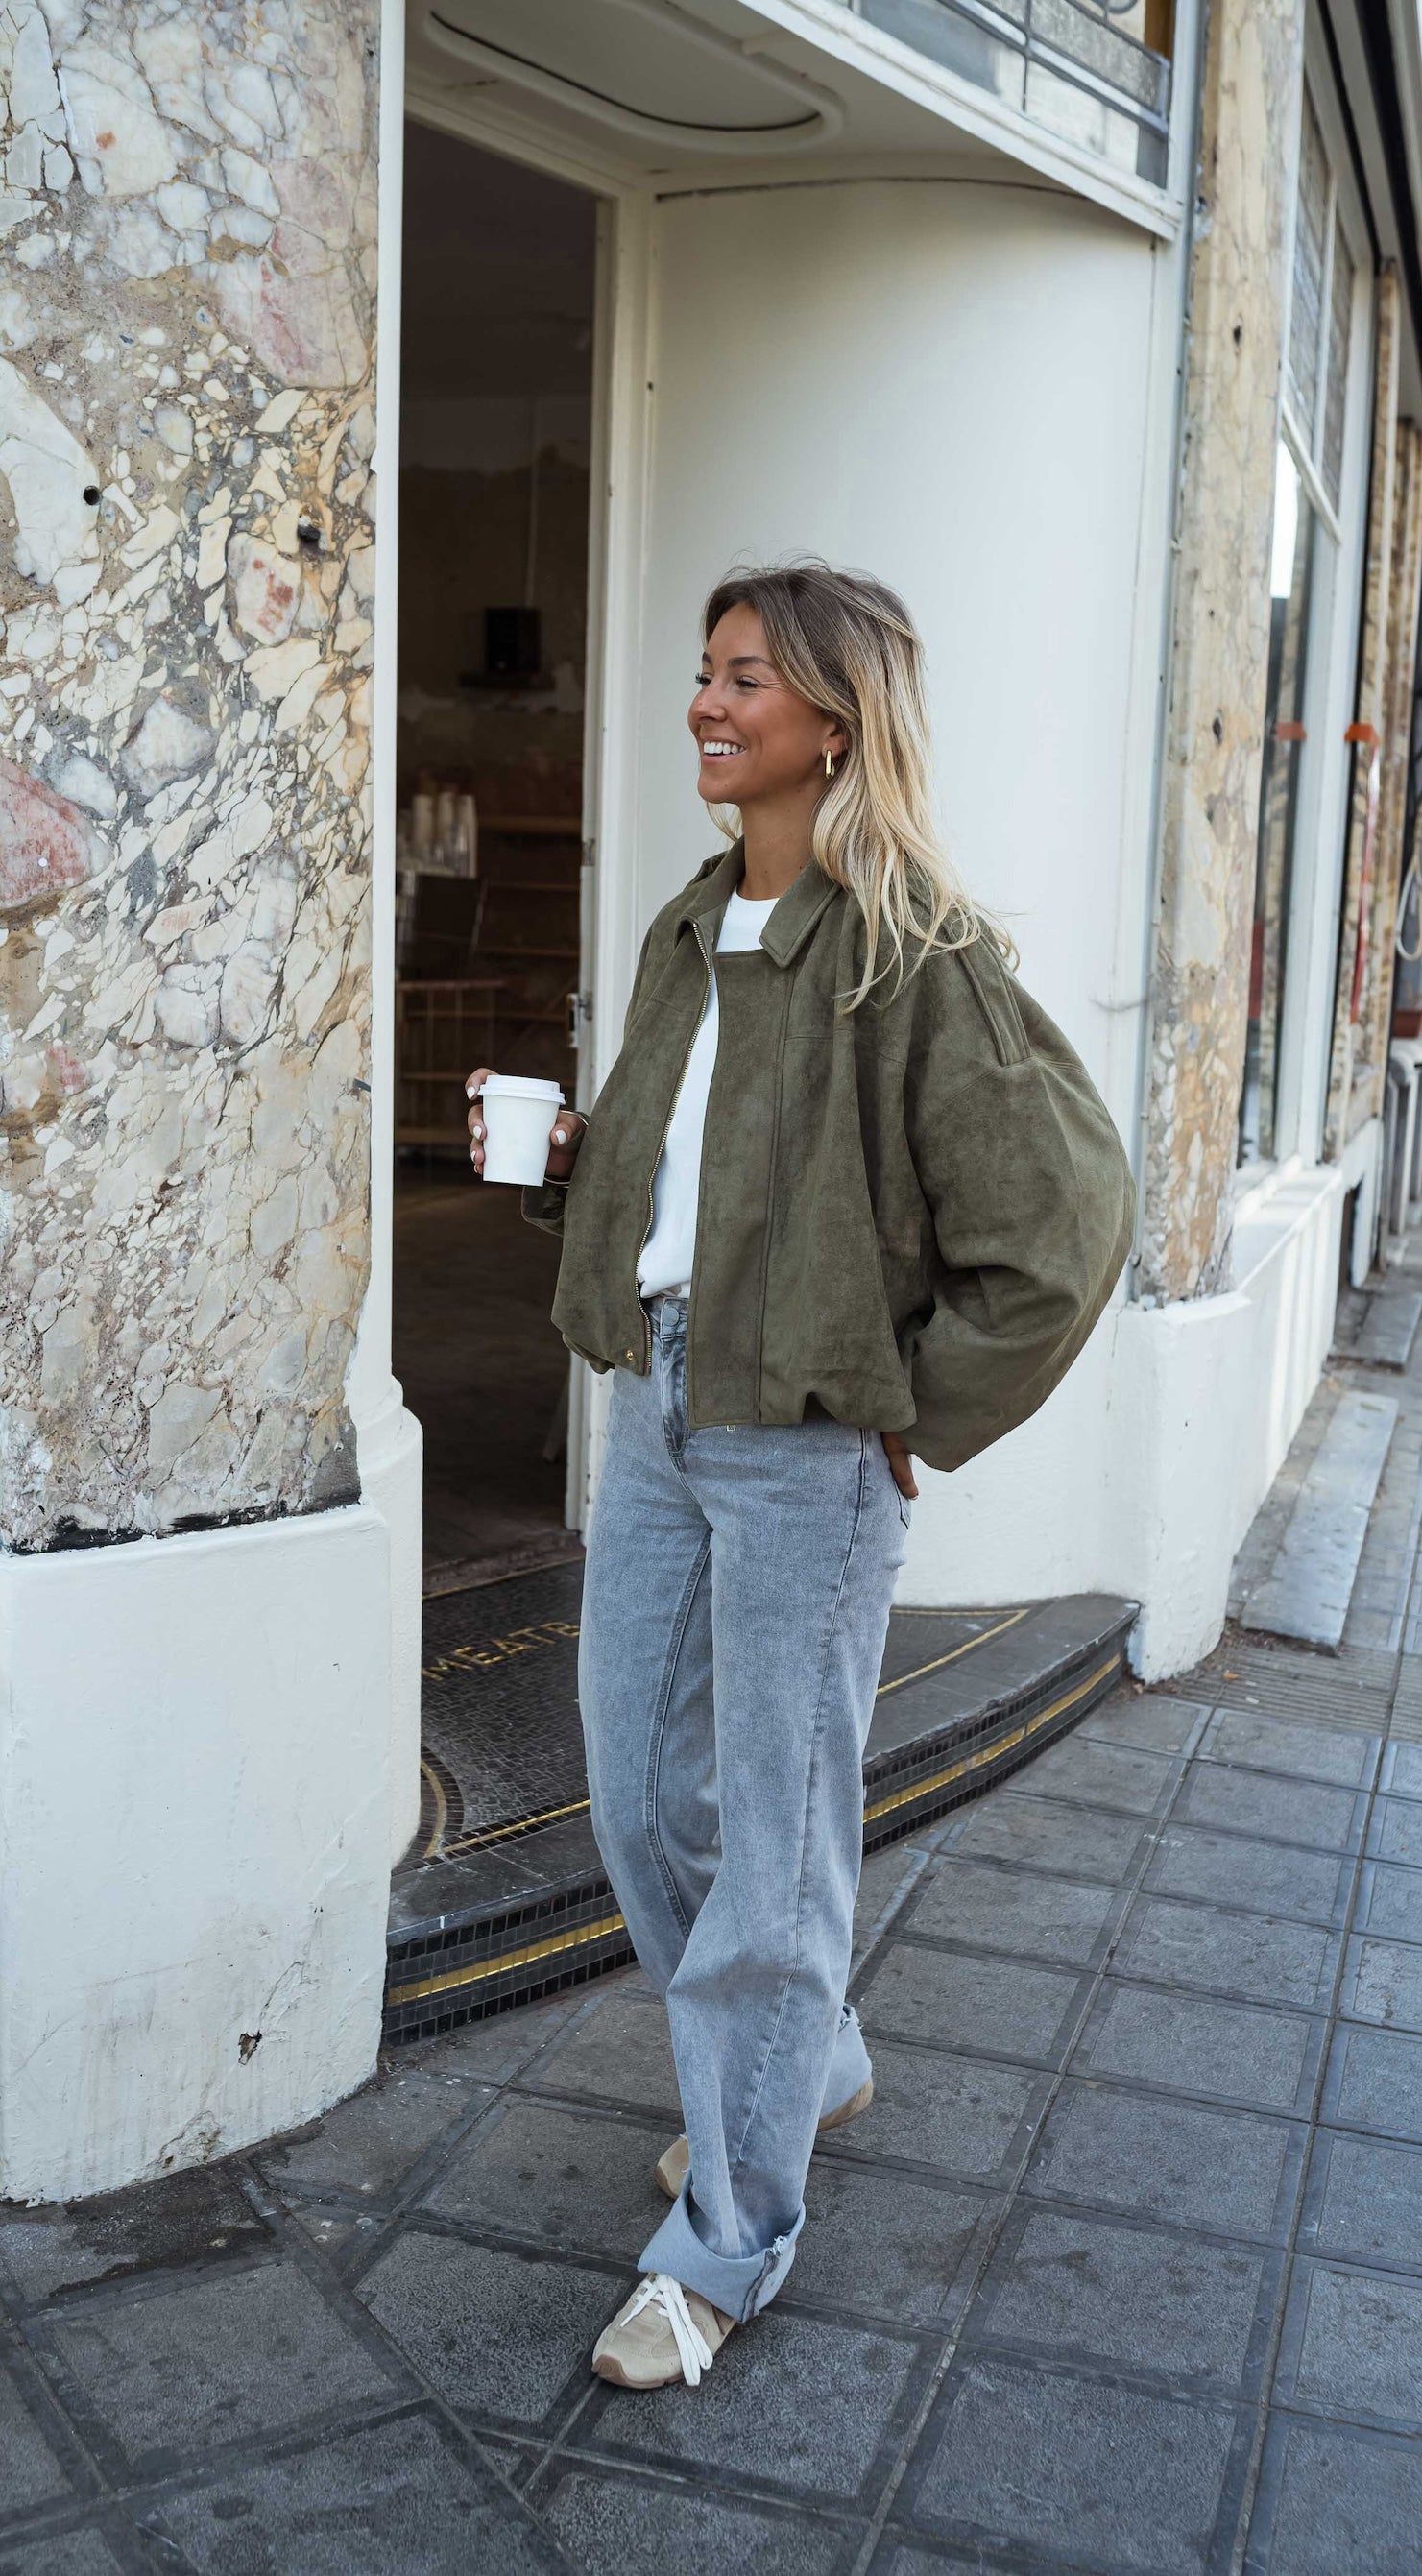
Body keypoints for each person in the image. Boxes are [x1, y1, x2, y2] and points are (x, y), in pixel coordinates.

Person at [466, 561, 1134, 2391]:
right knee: (633, 1794)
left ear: (829, 722)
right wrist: (584, 1171)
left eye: (744, 678)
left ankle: (730, 2237)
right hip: (666, 1407)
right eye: (704, 672)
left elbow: (1066, 1223)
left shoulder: (918, 955)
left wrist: (913, 1404)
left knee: (772, 1844)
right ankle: (801, 2060)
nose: (707, 701)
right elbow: (718, 1178)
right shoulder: (697, 928)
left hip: (802, 1446)